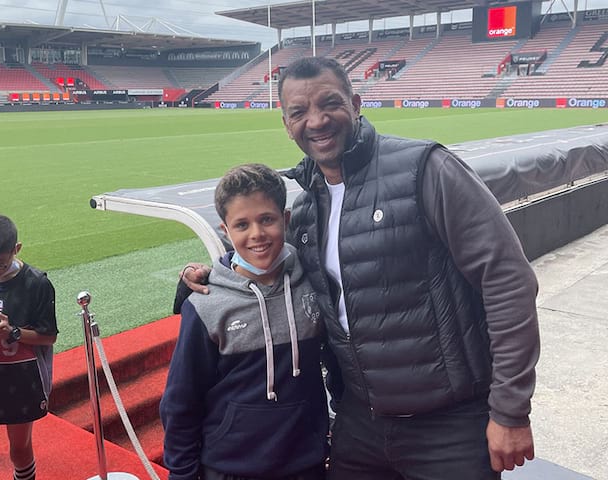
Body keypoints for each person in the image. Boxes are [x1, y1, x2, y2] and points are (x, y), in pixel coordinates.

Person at [181, 56, 540, 480]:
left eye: (329, 103)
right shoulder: (308, 207)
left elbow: (507, 280)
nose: (316, 121)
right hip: (360, 425)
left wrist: (511, 410)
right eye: (299, 112)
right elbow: (266, 263)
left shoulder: (425, 168)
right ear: (286, 123)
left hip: (449, 426)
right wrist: (213, 274)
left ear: (355, 103)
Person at [160, 163, 330, 480]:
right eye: (242, 225)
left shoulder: (312, 285)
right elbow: (181, 402)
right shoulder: (206, 306)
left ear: (286, 219)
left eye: (267, 219)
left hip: (306, 464)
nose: (256, 234)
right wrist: (182, 473)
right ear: (226, 231)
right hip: (230, 468)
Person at [0, 214, 58, 480]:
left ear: (16, 249)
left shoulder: (36, 282)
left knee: (20, 450)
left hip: (20, 379)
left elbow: (48, 336)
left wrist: (13, 332)